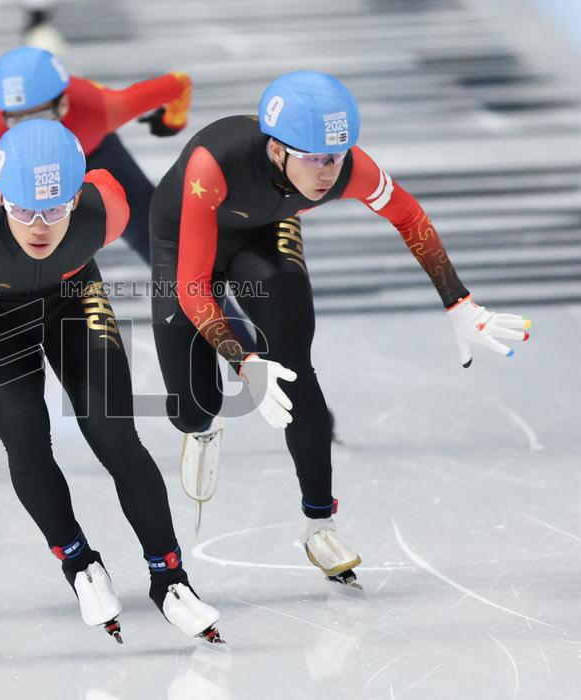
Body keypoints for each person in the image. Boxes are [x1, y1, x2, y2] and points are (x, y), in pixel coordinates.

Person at [149, 71, 532, 590]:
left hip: (265, 235)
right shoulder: (213, 165)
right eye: (314, 158)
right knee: (193, 405)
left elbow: (409, 216)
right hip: (187, 243)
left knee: (293, 365)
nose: (328, 172)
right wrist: (243, 361)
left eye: (336, 156)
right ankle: (199, 428)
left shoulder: (347, 166)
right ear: (278, 150)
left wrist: (458, 301)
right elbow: (194, 286)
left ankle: (318, 524)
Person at [0, 120, 222, 643]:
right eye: (22, 209)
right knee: (27, 443)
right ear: (0, 197)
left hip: (73, 298)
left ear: (77, 199)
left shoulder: (107, 211)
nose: (38, 226)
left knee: (115, 436)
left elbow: (111, 180)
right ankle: (79, 563)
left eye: (54, 209)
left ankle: (170, 578)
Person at [0, 46, 192, 266]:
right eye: (17, 118)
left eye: (40, 114)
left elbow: (180, 84)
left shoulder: (104, 109)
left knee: (159, 242)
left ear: (65, 104)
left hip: (97, 155)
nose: (32, 128)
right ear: (4, 113)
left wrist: (173, 121)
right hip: (43, 163)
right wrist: (172, 122)